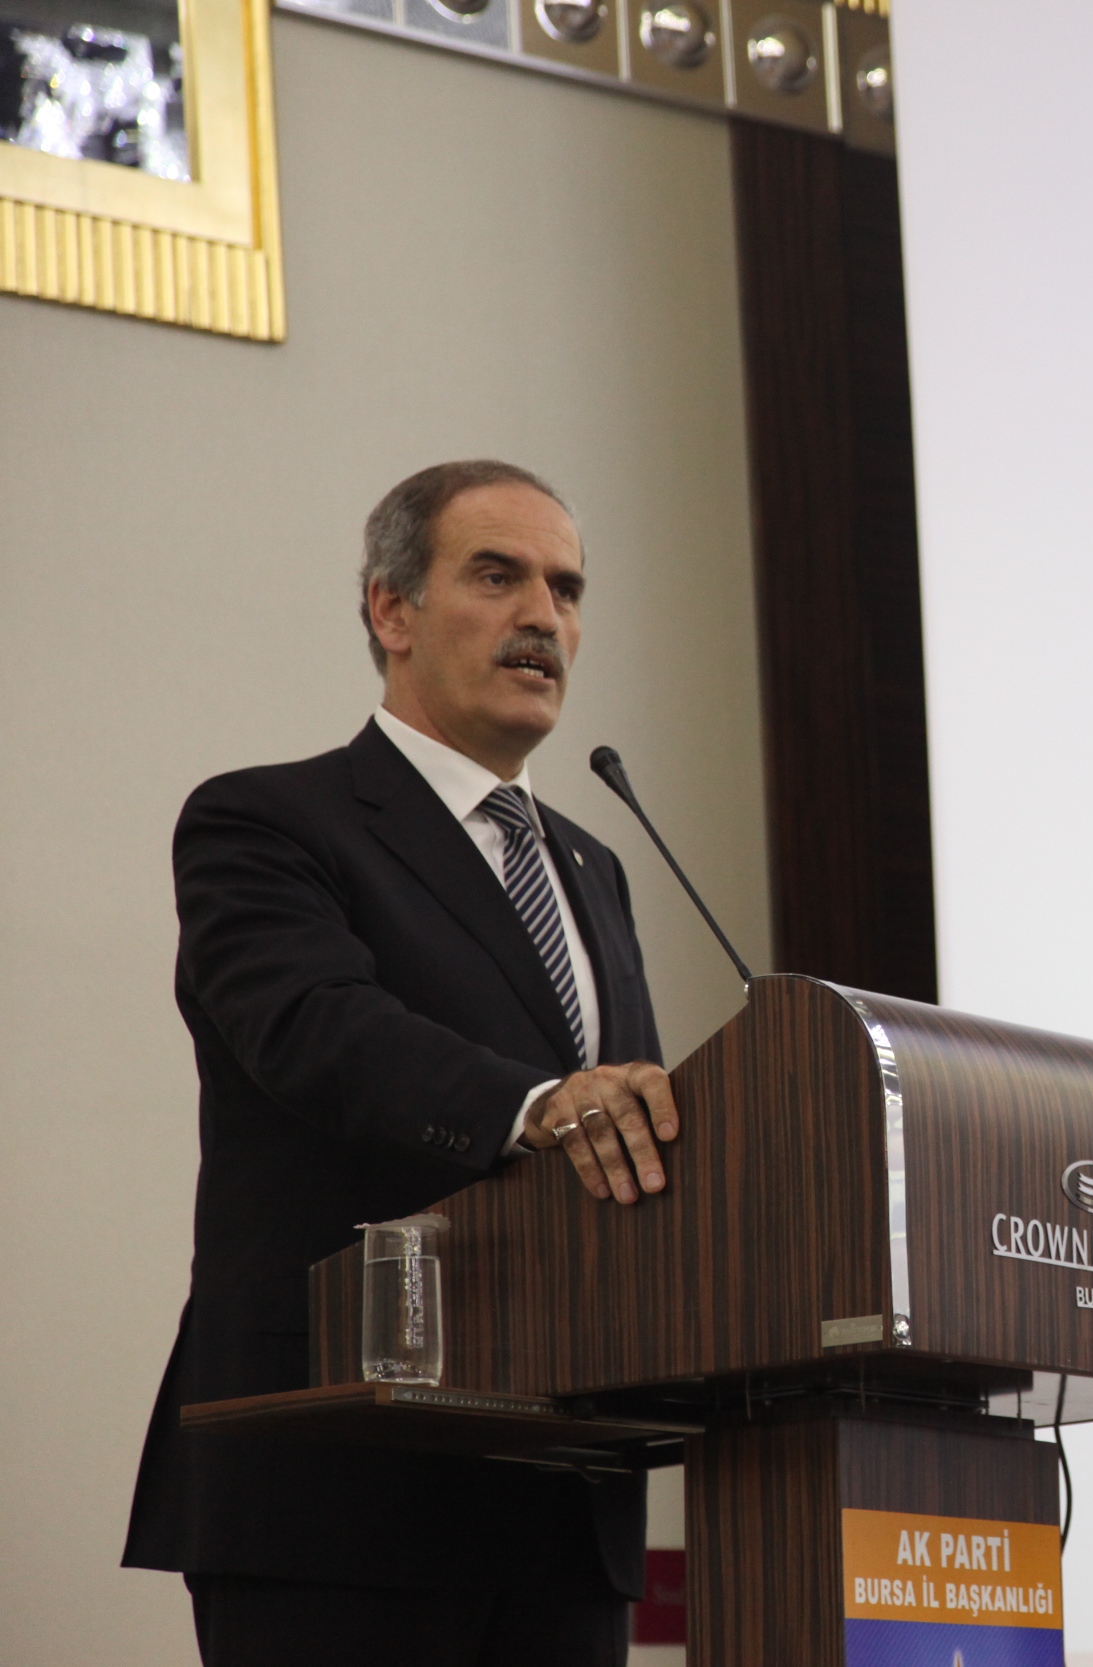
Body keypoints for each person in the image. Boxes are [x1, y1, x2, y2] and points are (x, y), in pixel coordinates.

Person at [123, 460, 685, 1666]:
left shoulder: (595, 868)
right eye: (497, 575)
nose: (543, 616)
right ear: (392, 609)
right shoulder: (268, 821)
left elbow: (618, 1129)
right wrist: (538, 1104)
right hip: (338, 1471)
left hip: (561, 1487)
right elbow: (317, 1025)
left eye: (566, 588)